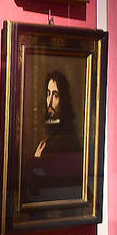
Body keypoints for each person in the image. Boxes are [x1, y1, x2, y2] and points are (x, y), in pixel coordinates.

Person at [28, 69, 81, 200]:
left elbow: (42, 185)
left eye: (55, 95)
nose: (49, 101)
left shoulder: (65, 138)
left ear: (63, 100)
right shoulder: (45, 130)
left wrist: (36, 160)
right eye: (48, 94)